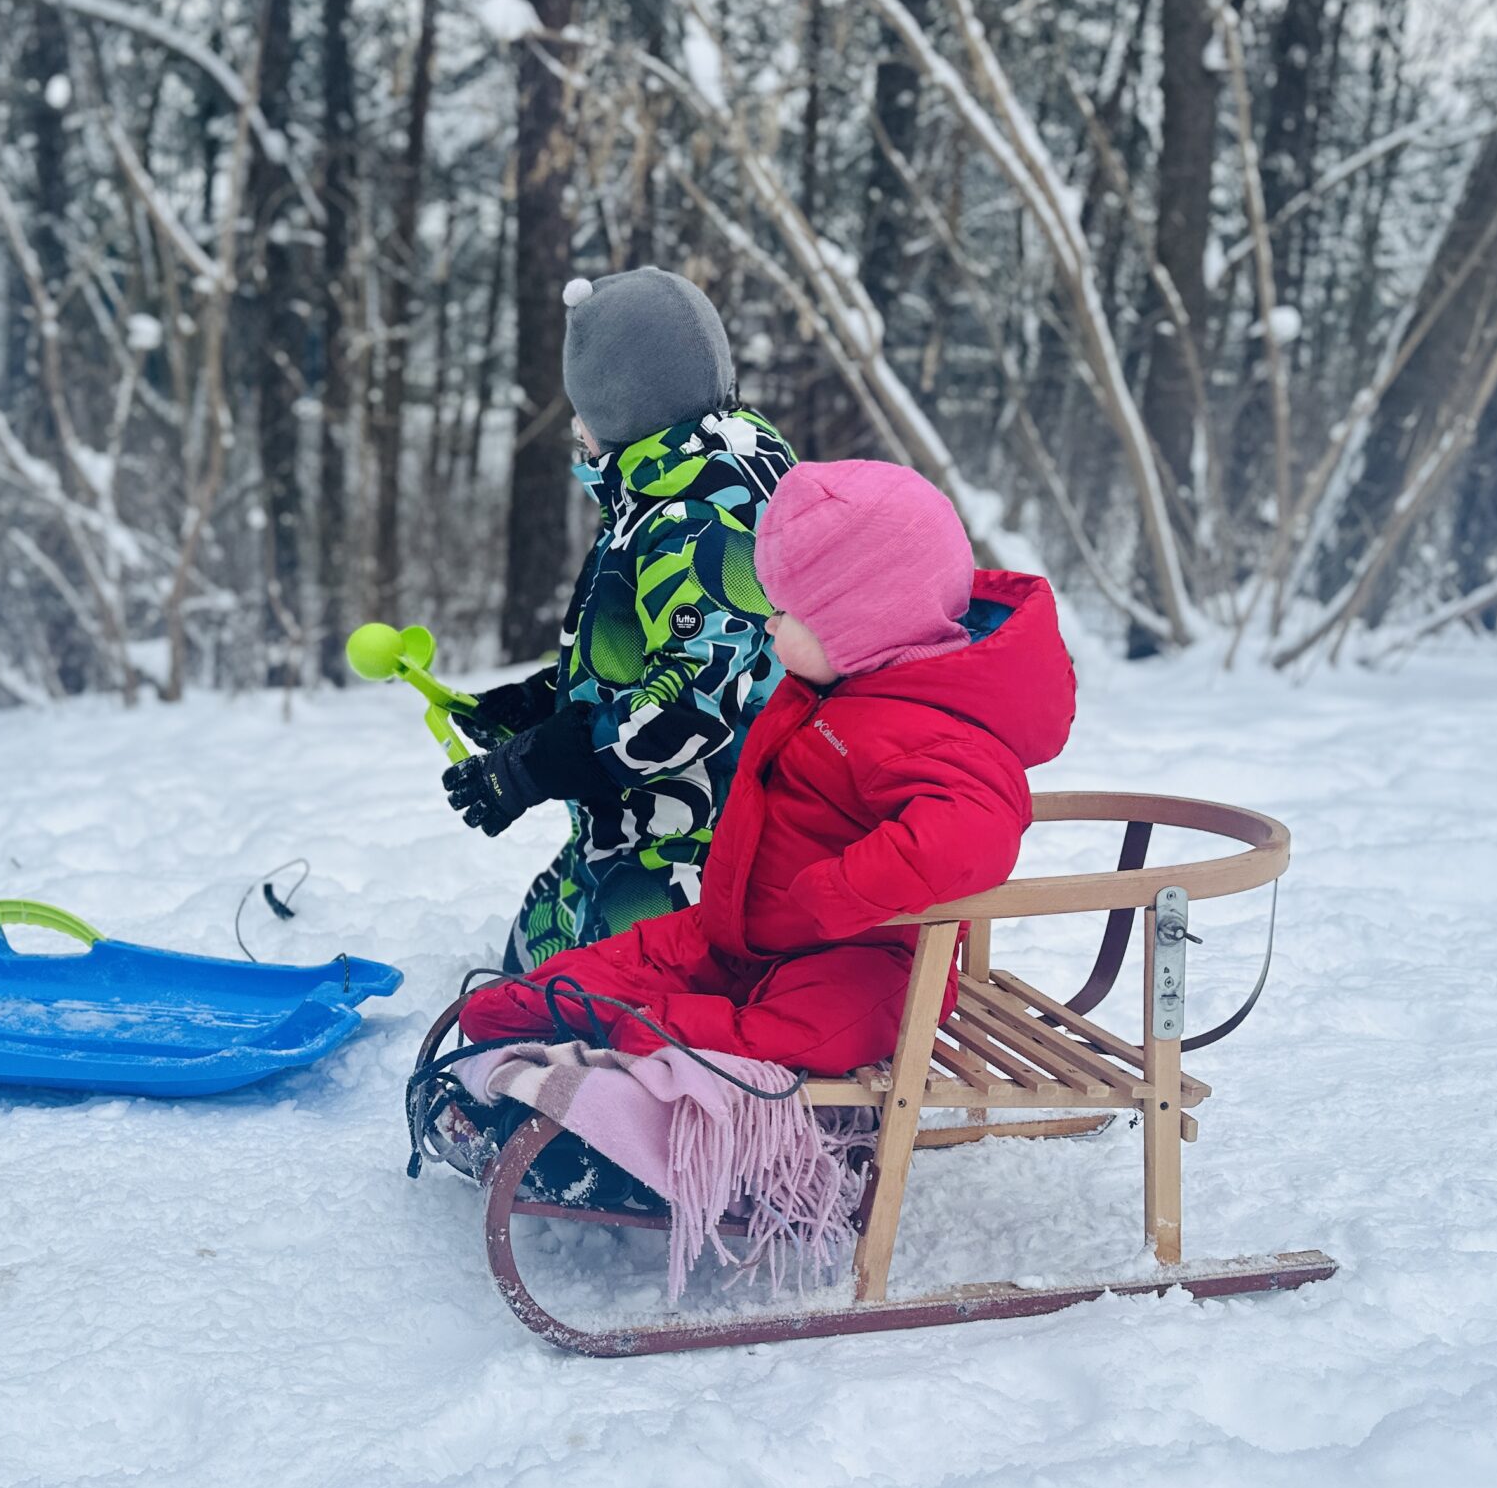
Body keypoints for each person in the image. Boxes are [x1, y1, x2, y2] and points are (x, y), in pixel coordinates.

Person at [457, 458, 1076, 1077]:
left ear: (861, 625)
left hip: (864, 963)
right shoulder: (831, 683)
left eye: (787, 612)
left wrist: (836, 893)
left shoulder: (940, 726)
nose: (769, 623)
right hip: (738, 932)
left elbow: (971, 833)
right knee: (597, 970)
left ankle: (634, 1049)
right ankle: (541, 1012)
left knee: (785, 1033)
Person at [441, 267, 796, 971]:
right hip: (636, 825)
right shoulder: (678, 484)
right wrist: (544, 703)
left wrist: (543, 763)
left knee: (570, 1012)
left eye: (584, 404)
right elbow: (653, 652)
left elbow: (693, 706)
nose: (575, 425)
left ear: (622, 405)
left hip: (696, 854)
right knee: (517, 973)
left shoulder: (696, 521)